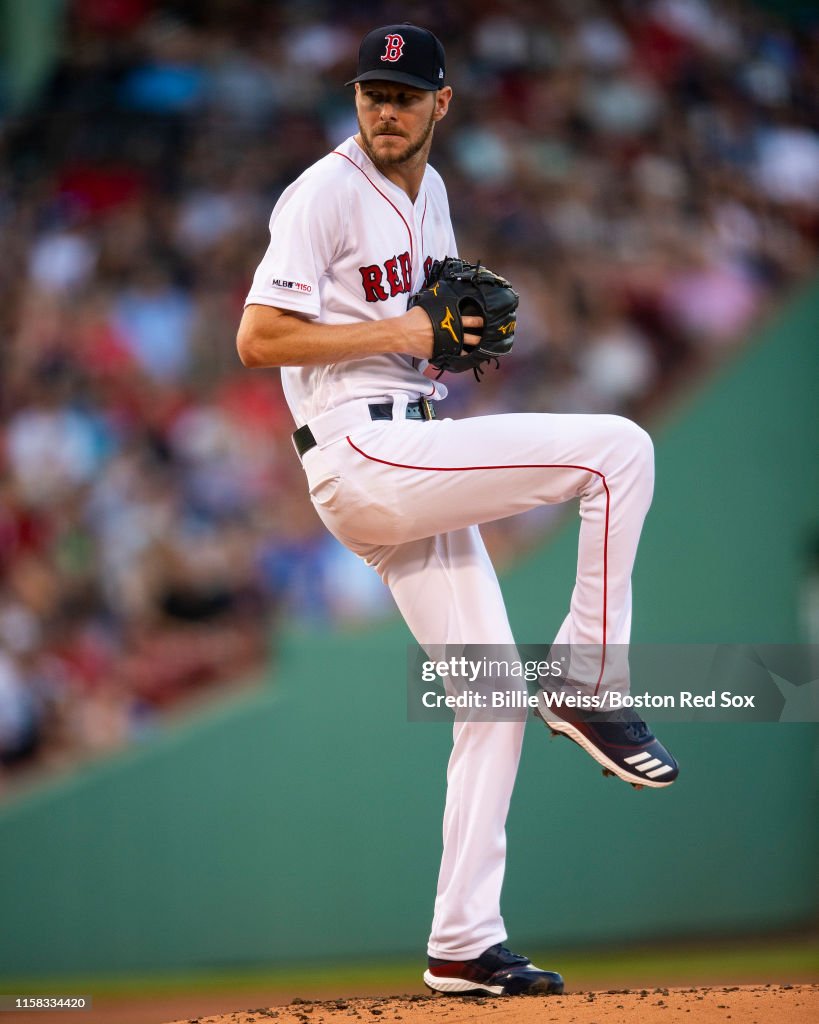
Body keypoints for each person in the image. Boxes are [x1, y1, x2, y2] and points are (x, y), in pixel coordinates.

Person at [237, 23, 678, 998]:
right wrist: (409, 328)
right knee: (620, 450)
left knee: (487, 703)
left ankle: (462, 943)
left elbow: (425, 337)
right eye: (370, 91)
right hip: (363, 451)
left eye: (403, 93)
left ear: (443, 103)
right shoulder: (321, 193)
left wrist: (444, 345)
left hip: (403, 445)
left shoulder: (431, 195)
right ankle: (590, 681)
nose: (383, 109)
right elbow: (258, 337)